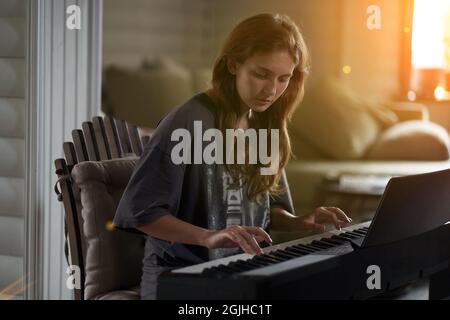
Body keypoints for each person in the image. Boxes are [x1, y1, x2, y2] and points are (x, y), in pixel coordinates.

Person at [113, 13, 352, 300]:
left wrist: (300, 221)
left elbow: (267, 213)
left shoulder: (266, 124)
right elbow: (142, 213)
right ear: (233, 64)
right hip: (180, 280)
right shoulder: (188, 121)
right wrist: (208, 236)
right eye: (261, 74)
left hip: (240, 273)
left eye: (283, 78)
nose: (272, 90)